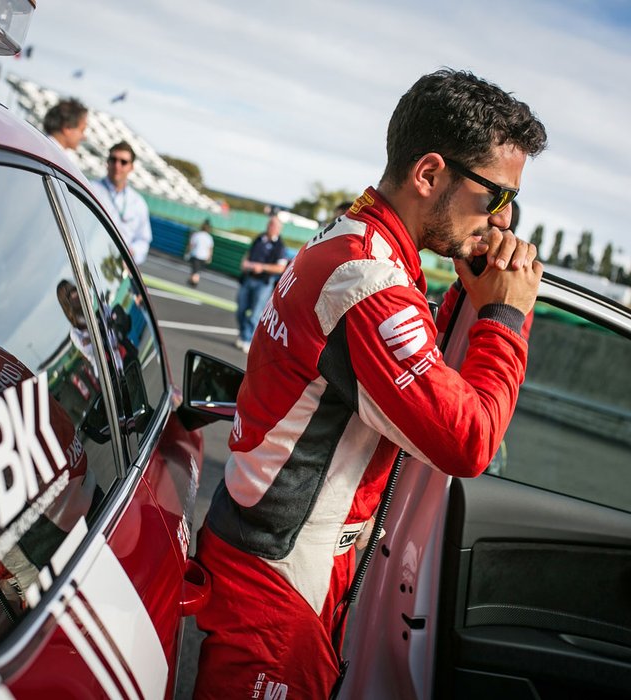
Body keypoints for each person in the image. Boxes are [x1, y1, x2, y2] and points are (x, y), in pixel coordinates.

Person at [192, 68, 548, 698]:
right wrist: (505, 316)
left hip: (275, 553)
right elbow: (467, 442)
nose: (502, 220)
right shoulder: (369, 282)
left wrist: (460, 301)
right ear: (430, 174)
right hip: (280, 577)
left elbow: (399, 381)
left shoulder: (357, 242)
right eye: (494, 196)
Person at [233, 213, 289, 352]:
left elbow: (281, 268)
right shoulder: (259, 239)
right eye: (269, 224)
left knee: (255, 313)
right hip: (248, 279)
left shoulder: (280, 247)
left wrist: (262, 267)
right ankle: (243, 334)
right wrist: (245, 263)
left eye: (273, 225)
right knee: (240, 310)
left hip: (263, 283)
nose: (270, 227)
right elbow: (248, 254)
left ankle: (247, 339)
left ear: (279, 229)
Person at [94, 141, 152, 266]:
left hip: (118, 269)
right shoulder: (90, 189)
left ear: (131, 167)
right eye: (113, 159)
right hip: (90, 260)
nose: (117, 165)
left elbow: (143, 240)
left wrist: (133, 252)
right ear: (107, 162)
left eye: (123, 162)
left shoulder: (138, 203)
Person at [185, 219, 215, 287]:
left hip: (196, 255)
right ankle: (192, 281)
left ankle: (193, 283)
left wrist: (188, 253)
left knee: (195, 271)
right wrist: (209, 257)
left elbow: (191, 245)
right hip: (204, 257)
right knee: (197, 271)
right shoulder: (209, 237)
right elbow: (210, 249)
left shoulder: (197, 235)